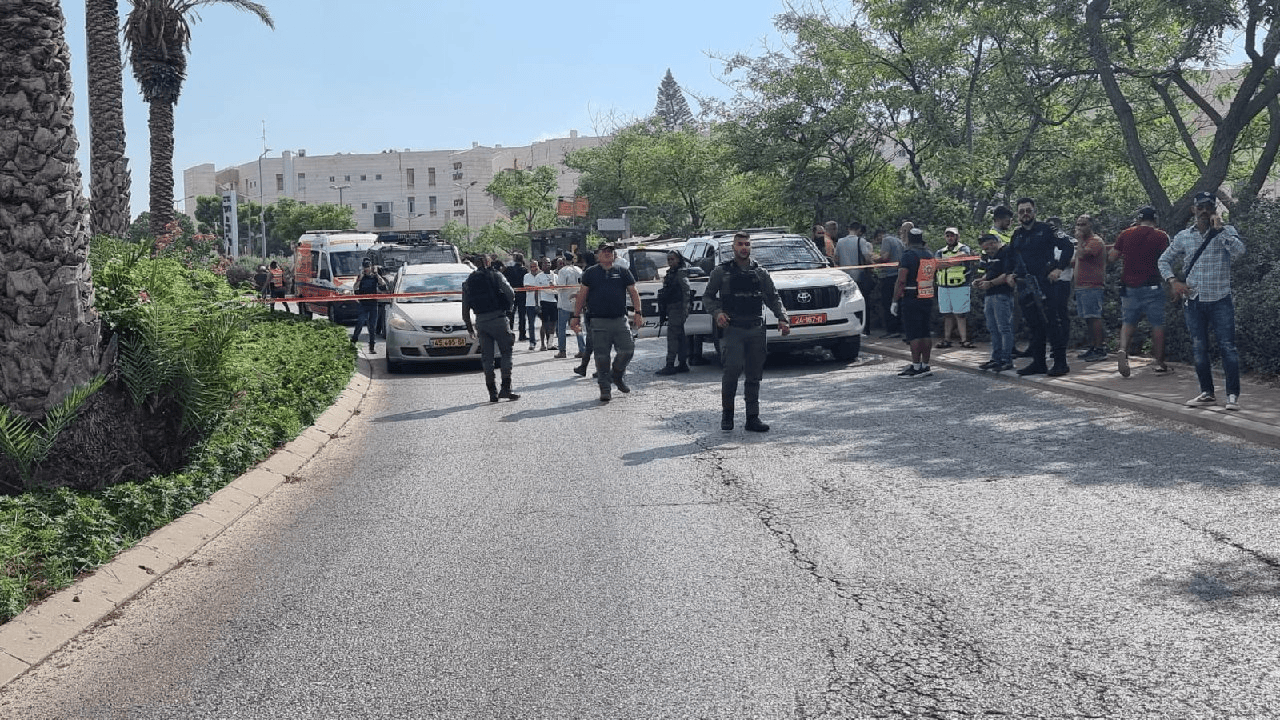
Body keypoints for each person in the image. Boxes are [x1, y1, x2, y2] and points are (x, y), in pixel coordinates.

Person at [1158, 190, 1247, 410]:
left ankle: (1232, 396)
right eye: (1201, 207)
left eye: (1209, 207)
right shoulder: (1184, 236)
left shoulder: (1227, 231)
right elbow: (1163, 260)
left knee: (1228, 348)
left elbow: (1239, 252)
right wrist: (1173, 281)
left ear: (1215, 210)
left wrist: (1220, 230)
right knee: (1199, 348)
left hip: (1220, 299)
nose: (1205, 211)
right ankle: (1207, 393)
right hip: (1194, 301)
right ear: (1193, 210)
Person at [703, 231, 791, 431]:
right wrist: (717, 313)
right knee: (732, 372)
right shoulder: (721, 272)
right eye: (740, 244)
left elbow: (773, 297)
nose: (744, 248)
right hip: (733, 329)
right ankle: (727, 415)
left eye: (747, 244)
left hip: (756, 329)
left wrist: (782, 318)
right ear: (733, 247)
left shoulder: (760, 273)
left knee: (754, 375)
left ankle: (753, 417)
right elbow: (708, 297)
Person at [1010, 197, 1075, 376]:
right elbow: (1011, 257)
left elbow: (1068, 246)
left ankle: (1061, 363)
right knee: (1034, 326)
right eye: (1021, 211)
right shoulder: (1017, 234)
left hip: (1045, 284)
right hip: (1025, 285)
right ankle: (1039, 363)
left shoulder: (1047, 229)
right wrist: (1010, 273)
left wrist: (1059, 268)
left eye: (1028, 210)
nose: (1025, 214)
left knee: (1052, 323)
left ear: (1034, 212)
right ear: (1018, 215)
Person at [570, 245, 643, 402]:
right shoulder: (590, 273)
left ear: (614, 255)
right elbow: (582, 295)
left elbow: (633, 292)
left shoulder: (622, 271)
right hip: (598, 321)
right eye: (604, 251)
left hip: (620, 319)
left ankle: (616, 374)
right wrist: (575, 316)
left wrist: (638, 312)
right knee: (602, 357)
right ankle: (605, 389)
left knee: (628, 349)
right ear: (598, 255)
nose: (607, 253)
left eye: (610, 251)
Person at [1110, 205, 1171, 377]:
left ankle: (1123, 350)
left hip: (1129, 287)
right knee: (1157, 324)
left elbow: (1112, 257)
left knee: (1128, 322)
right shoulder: (1161, 236)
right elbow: (1168, 258)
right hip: (1152, 286)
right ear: (1155, 220)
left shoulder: (1126, 234)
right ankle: (1159, 362)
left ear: (1138, 219)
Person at [461, 255, 520, 403]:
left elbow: (465, 309)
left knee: (487, 358)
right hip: (499, 318)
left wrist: (470, 328)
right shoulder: (496, 275)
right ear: (488, 262)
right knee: (506, 353)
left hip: (481, 322)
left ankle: (492, 392)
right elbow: (510, 293)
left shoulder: (468, 282)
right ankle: (506, 388)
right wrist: (509, 309)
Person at [893, 228, 938, 377]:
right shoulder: (929, 254)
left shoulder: (908, 255)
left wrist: (895, 300)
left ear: (908, 239)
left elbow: (901, 280)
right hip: (927, 296)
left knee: (914, 333)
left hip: (911, 297)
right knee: (925, 331)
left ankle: (916, 366)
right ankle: (925, 365)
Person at [974, 233, 1017, 371]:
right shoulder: (990, 256)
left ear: (993, 243)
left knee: (1004, 327)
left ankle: (1006, 359)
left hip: (1002, 293)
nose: (987, 251)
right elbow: (990, 272)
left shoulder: (1006, 252)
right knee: (993, 328)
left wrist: (991, 283)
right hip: (990, 294)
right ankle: (996, 358)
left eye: (987, 248)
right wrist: (982, 280)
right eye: (984, 249)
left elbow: (1007, 273)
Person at [1072, 215, 1108, 362]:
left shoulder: (1095, 241)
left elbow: (1081, 255)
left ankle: (1100, 348)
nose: (1080, 227)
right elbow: (1074, 260)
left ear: (1090, 225)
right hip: (1081, 286)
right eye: (1078, 224)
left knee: (1094, 317)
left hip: (1092, 286)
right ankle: (1093, 346)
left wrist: (1079, 239)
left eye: (1083, 224)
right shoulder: (1085, 242)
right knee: (1087, 318)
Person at [934, 227, 974, 348]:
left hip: (960, 286)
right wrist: (952, 261)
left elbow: (962, 257)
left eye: (952, 235)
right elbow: (936, 265)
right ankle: (947, 340)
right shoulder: (940, 251)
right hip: (943, 287)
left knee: (960, 314)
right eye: (948, 236)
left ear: (957, 237)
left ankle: (964, 340)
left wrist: (945, 262)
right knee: (947, 314)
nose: (950, 238)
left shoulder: (964, 248)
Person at [835, 221, 876, 336]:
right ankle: (864, 328)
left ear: (849, 229)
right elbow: (867, 258)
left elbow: (836, 258)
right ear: (858, 230)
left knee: (846, 303)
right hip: (859, 276)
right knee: (863, 303)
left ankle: (848, 327)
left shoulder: (840, 241)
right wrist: (872, 266)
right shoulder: (860, 241)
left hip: (844, 278)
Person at [655, 250, 692, 375]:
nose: (670, 261)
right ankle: (682, 363)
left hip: (678, 308)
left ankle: (670, 364)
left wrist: (685, 309)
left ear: (678, 260)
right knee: (680, 337)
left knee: (672, 337)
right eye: (669, 259)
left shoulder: (680, 273)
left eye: (673, 259)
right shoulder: (671, 273)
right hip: (672, 308)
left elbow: (686, 291)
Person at [875, 224, 907, 338]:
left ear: (880, 235)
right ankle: (899, 328)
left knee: (887, 303)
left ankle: (892, 330)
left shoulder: (886, 240)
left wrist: (874, 259)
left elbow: (885, 257)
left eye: (877, 239)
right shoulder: (898, 240)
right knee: (897, 302)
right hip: (899, 274)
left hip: (889, 276)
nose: (878, 242)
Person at [350, 258, 387, 353]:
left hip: (373, 304)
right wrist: (360, 278)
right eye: (365, 267)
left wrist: (377, 274)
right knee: (360, 322)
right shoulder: (361, 277)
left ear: (371, 267)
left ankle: (371, 347)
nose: (366, 269)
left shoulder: (374, 277)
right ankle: (353, 341)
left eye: (368, 267)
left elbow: (383, 284)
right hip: (363, 304)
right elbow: (355, 287)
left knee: (372, 326)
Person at [555, 252, 583, 359]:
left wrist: (553, 287)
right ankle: (582, 349)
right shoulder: (579, 270)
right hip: (576, 303)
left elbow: (561, 286)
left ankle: (562, 351)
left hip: (565, 303)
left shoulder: (563, 271)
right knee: (577, 327)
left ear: (564, 259)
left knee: (561, 328)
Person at [522, 260, 548, 351]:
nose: (534, 268)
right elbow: (527, 288)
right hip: (530, 303)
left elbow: (545, 287)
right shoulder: (526, 276)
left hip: (542, 302)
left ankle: (545, 343)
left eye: (535, 266)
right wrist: (537, 287)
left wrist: (533, 287)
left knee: (545, 323)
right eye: (532, 267)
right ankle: (532, 342)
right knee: (531, 324)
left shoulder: (542, 275)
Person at [502, 253, 528, 340]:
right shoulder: (524, 270)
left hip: (511, 294)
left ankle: (509, 333)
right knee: (522, 315)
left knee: (510, 314)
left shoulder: (508, 269)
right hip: (522, 294)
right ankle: (522, 334)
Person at [538, 259, 558, 351]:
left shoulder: (555, 276)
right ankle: (543, 344)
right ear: (542, 265)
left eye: (549, 263)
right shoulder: (539, 276)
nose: (547, 264)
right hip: (543, 301)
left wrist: (553, 287)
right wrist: (537, 304)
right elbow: (536, 291)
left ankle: (550, 343)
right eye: (545, 263)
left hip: (553, 301)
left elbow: (559, 289)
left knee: (553, 323)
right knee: (544, 324)